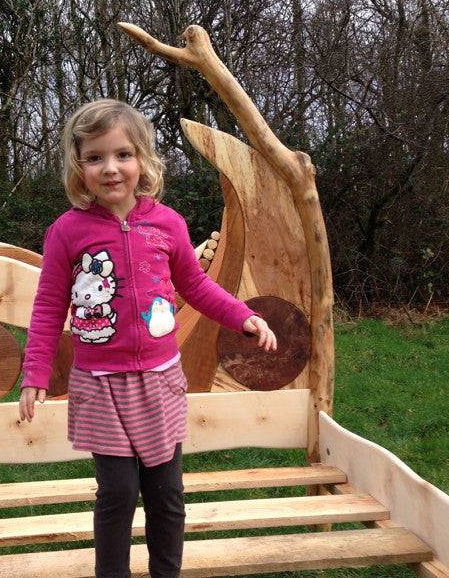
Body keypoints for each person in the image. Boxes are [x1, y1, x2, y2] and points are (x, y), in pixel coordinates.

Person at [19, 99, 277, 578]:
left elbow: (196, 286)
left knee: (166, 492)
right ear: (79, 167)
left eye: (122, 155)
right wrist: (35, 371)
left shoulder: (167, 223)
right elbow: (50, 306)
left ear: (143, 160)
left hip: (159, 380)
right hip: (100, 384)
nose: (110, 168)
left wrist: (243, 316)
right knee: (116, 493)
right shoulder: (66, 233)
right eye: (95, 157)